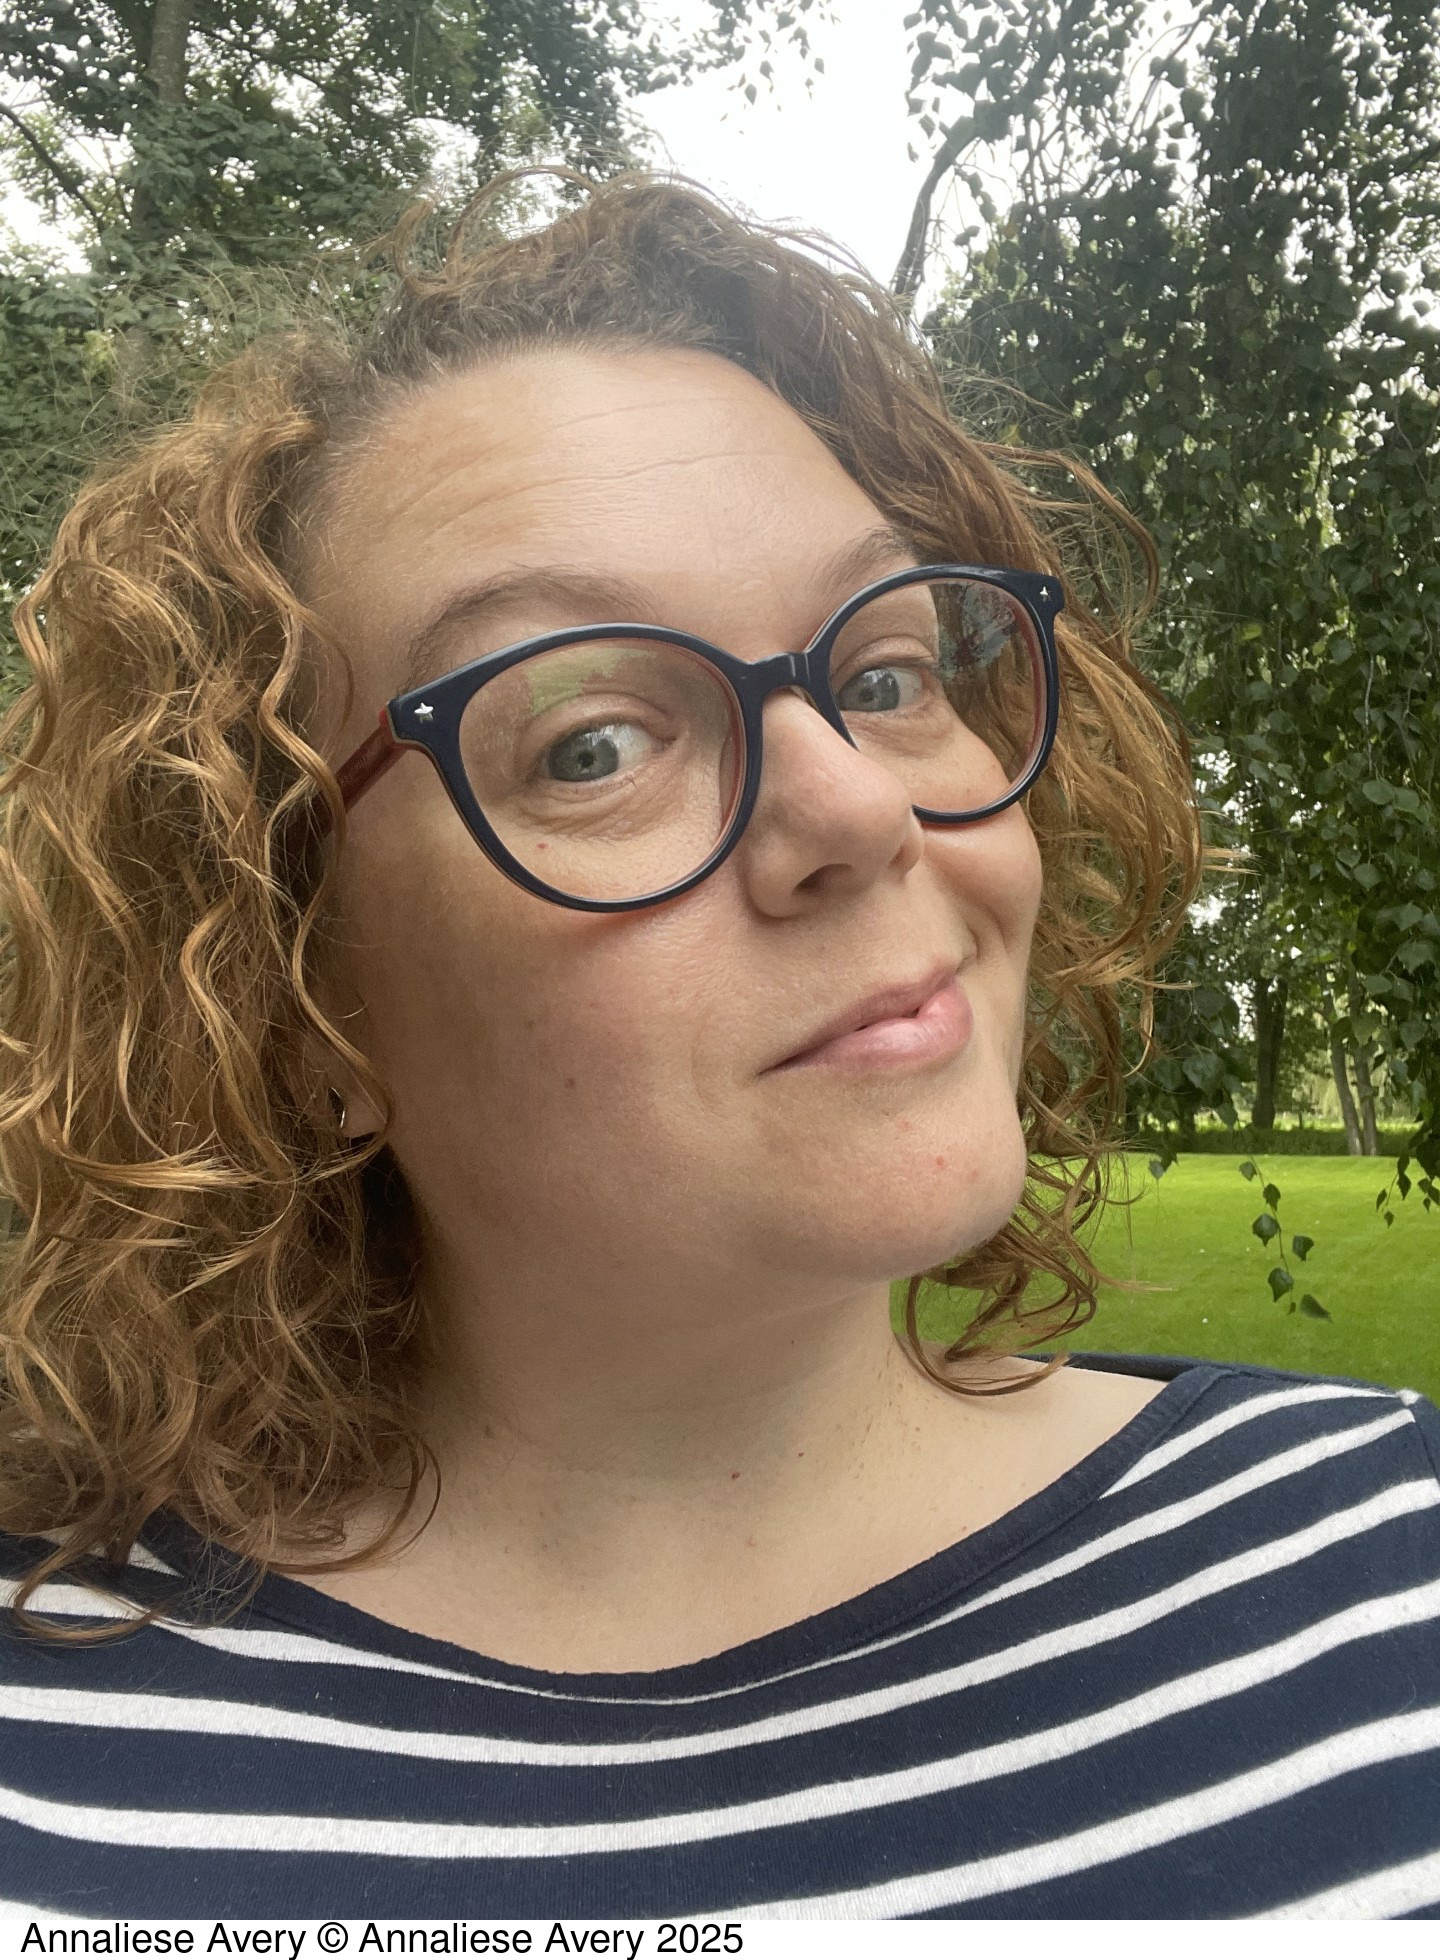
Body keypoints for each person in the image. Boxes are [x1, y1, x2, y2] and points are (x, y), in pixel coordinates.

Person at [0, 169, 1436, 1924]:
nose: (864, 808)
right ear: (295, 999)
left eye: (888, 673)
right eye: (593, 745)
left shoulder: (1384, 1564)